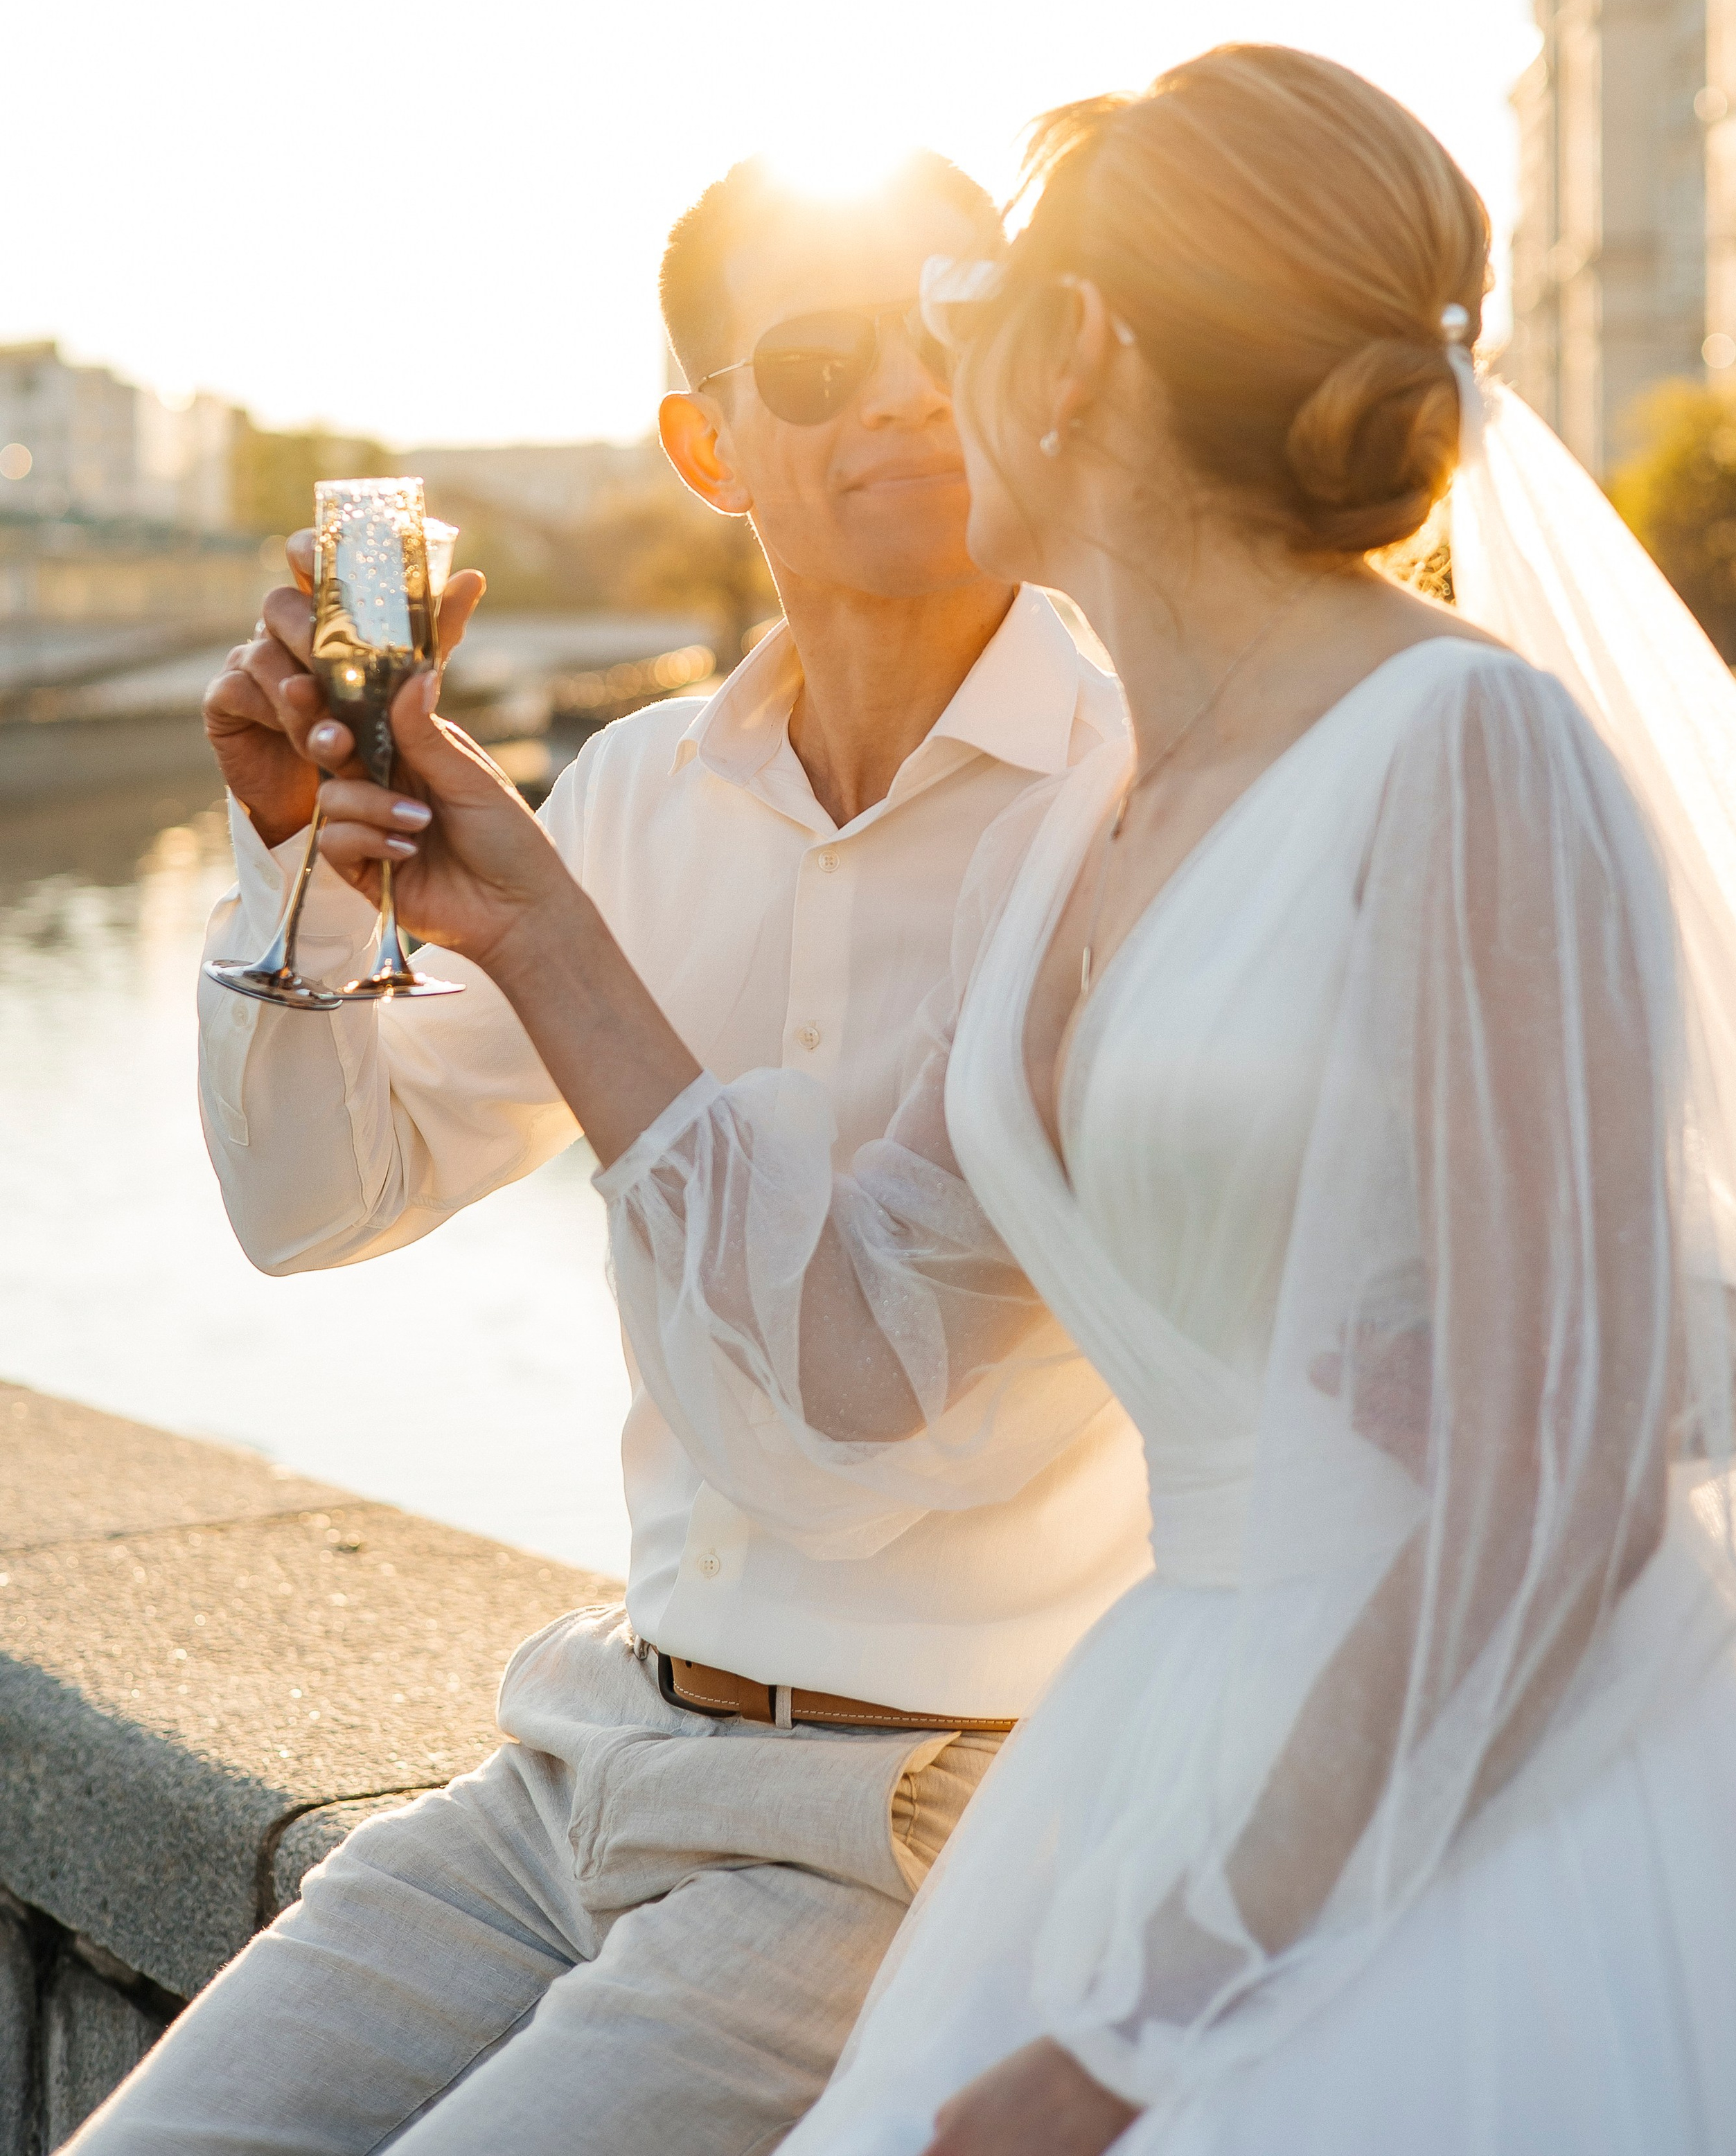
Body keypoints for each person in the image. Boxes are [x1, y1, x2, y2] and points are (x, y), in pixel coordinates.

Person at [264, 45, 1736, 2156]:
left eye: (962, 306)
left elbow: (1581, 1472)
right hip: (1151, 1762)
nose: (912, 376)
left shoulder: (1470, 754)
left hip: (1420, 1824)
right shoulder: (1109, 825)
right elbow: (858, 1355)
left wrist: (1147, 2028)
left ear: (1070, 357)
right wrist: (524, 920)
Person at [69, 150, 1151, 2156]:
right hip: (588, 1753)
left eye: (949, 332)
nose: (908, 393)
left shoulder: (1126, 798)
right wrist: (303, 866)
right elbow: (317, 1210)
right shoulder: (642, 789)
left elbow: (858, 1420)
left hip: (909, 1826)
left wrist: (544, 930)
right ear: (708, 446)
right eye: (826, 359)